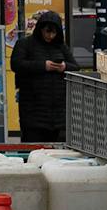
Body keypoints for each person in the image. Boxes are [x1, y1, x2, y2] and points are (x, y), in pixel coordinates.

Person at [11, 9, 69, 143]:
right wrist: (43, 66)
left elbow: (74, 65)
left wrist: (63, 67)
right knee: (32, 145)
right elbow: (16, 64)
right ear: (40, 29)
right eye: (47, 31)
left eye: (54, 32)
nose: (50, 36)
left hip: (57, 112)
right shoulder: (25, 44)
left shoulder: (60, 46)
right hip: (32, 109)